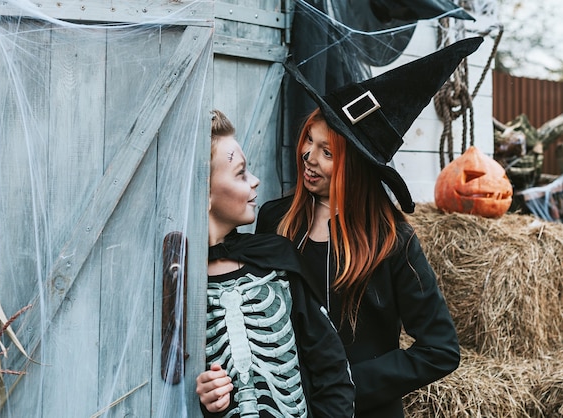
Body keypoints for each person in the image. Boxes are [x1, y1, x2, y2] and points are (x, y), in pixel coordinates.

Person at [255, 37, 484, 418]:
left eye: (327, 152)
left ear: (356, 167)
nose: (308, 157)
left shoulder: (392, 241)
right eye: (309, 142)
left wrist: (346, 383)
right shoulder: (275, 220)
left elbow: (440, 349)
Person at [196, 110, 354, 418]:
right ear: (203, 192)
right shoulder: (179, 279)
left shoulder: (275, 258)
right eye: (241, 173)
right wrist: (203, 393)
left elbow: (332, 368)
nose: (255, 181)